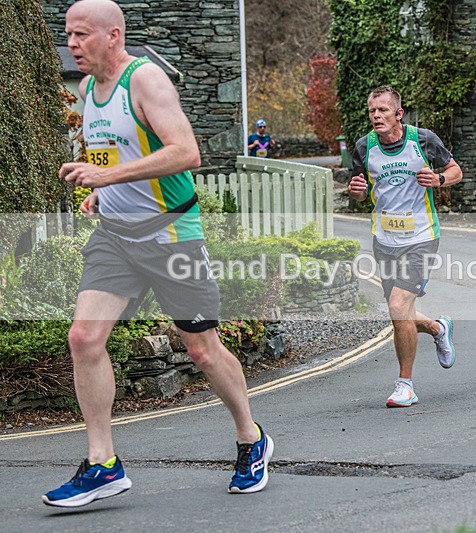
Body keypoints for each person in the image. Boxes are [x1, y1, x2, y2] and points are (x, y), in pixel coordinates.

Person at [44, 0, 272, 507]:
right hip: (116, 237)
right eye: (69, 34)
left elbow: (185, 152)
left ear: (114, 36)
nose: (72, 43)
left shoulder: (145, 81)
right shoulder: (86, 89)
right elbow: (113, 154)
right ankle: (103, 464)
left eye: (81, 35)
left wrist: (107, 176)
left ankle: (251, 438)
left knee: (200, 349)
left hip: (171, 235)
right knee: (83, 336)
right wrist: (101, 189)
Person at [348, 86, 461, 407]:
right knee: (402, 312)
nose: (376, 116)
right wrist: (355, 191)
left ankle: (405, 385)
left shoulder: (423, 140)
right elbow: (358, 191)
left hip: (421, 238)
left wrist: (439, 179)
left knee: (398, 307)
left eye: (383, 110)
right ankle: (439, 328)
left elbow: (456, 171)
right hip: (384, 240)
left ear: (398, 114)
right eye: (372, 111)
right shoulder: (363, 147)